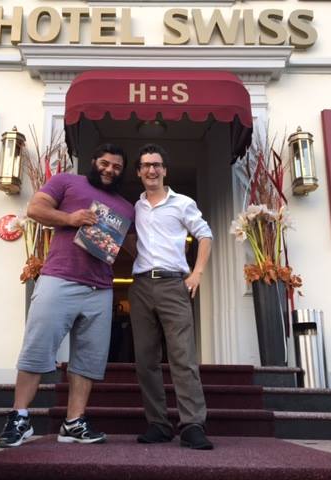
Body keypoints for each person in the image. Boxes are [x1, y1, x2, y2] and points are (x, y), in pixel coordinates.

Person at [0, 144, 134, 447]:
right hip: (59, 278)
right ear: (93, 161)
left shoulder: (127, 208)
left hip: (101, 288)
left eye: (117, 167)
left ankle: (73, 422)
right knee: (37, 346)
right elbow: (35, 209)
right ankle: (19, 416)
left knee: (88, 360)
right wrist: (71, 219)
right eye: (105, 163)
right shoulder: (66, 181)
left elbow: (131, 246)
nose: (110, 170)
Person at [129, 143, 214, 450]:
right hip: (140, 286)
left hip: (173, 285)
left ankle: (192, 425)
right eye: (146, 165)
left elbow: (205, 235)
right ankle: (158, 424)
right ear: (139, 172)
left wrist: (197, 273)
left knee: (183, 357)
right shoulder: (135, 207)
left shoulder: (182, 203)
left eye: (156, 165)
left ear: (164, 170)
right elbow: (128, 239)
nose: (151, 170)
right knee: (145, 361)